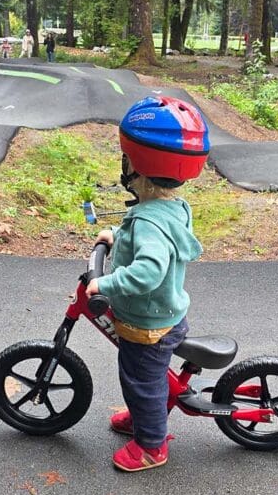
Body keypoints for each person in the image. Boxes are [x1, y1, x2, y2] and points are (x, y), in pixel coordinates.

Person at [85, 96, 209, 472]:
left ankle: (152, 444)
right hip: (167, 312)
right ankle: (146, 416)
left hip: (146, 325)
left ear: (136, 166)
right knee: (148, 380)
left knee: (141, 383)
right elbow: (148, 230)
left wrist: (105, 283)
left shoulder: (148, 222)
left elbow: (148, 271)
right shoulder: (172, 207)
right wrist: (115, 235)